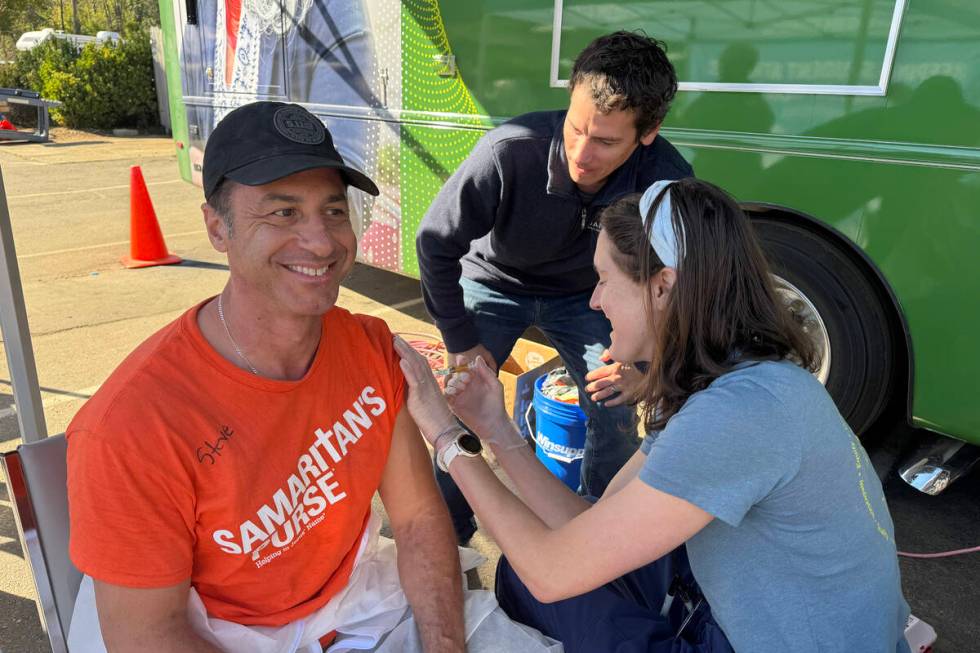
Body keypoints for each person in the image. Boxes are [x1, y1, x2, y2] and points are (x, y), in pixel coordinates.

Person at [395, 177, 912, 652]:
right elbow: (588, 524)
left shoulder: (736, 416)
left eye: (602, 279)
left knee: (533, 580)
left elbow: (553, 571)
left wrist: (445, 435)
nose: (594, 301)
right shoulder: (739, 376)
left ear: (662, 286)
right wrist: (496, 430)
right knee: (525, 566)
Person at [66, 101, 467, 652]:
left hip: (347, 603)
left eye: (332, 210)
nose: (323, 243)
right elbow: (147, 634)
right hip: (212, 632)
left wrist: (446, 646)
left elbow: (419, 518)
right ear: (216, 227)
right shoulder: (131, 428)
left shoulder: (369, 347)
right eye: (282, 213)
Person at [416, 30, 693, 542]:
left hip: (585, 296)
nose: (582, 155)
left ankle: (596, 529)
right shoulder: (508, 150)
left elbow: (674, 283)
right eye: (575, 129)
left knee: (612, 408)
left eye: (607, 141)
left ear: (648, 132)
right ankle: (448, 530)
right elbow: (434, 242)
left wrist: (645, 367)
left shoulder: (665, 182)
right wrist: (459, 336)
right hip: (493, 283)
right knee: (465, 403)